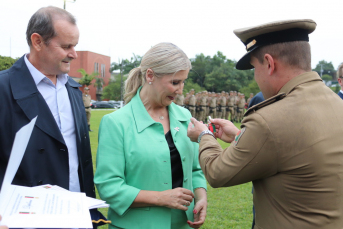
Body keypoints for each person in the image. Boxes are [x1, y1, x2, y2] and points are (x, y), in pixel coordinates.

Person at [187, 19, 343, 228]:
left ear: (269, 63)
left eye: (254, 67)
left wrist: (204, 135)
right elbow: (297, 150)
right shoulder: (335, 102)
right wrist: (238, 136)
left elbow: (217, 172)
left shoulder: (269, 119)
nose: (256, 76)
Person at [0, 6, 105, 227]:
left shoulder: (73, 89)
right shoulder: (3, 88)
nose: (74, 54)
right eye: (66, 46)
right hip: (24, 219)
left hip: (77, 216)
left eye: (75, 46)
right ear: (37, 41)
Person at [94, 42, 207, 229]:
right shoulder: (116, 123)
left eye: (183, 82)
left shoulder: (184, 116)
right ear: (150, 76)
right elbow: (109, 187)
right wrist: (161, 198)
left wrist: (201, 197)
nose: (180, 90)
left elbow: (195, 169)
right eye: (175, 82)